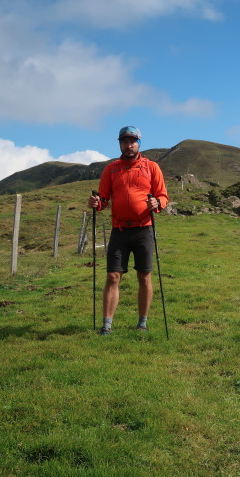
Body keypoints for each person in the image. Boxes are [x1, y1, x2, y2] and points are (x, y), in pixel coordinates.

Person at [88, 126, 169, 335]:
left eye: (132, 141)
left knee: (144, 275)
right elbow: (103, 200)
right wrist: (97, 202)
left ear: (139, 143)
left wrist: (156, 204)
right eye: (124, 141)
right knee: (113, 276)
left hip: (144, 229)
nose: (128, 145)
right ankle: (107, 326)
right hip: (119, 230)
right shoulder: (111, 169)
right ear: (120, 144)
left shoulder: (152, 167)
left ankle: (142, 323)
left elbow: (163, 196)